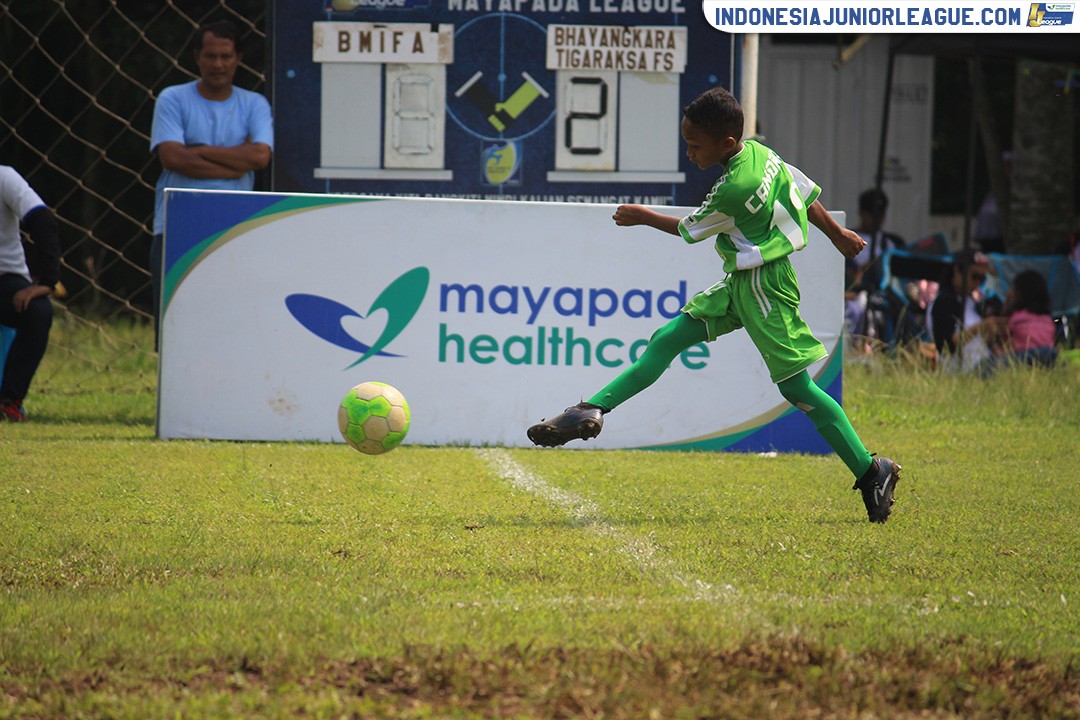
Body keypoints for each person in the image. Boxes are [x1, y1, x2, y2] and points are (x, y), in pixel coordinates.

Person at [526, 86, 902, 524]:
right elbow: (801, 192)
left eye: (693, 145)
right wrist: (836, 234)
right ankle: (590, 409)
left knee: (797, 389)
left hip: (763, 287)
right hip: (744, 281)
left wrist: (642, 216)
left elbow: (689, 230)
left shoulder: (734, 187)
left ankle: (872, 470)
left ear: (725, 143)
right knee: (668, 338)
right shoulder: (763, 156)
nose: (688, 152)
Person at [150, 19, 273, 345]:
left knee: (232, 323)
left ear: (238, 59)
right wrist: (235, 162)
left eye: (225, 56)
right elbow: (173, 158)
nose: (218, 64)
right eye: (210, 56)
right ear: (196, 57)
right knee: (174, 322)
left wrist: (199, 149)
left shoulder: (254, 104)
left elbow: (260, 157)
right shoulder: (172, 99)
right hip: (176, 225)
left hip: (234, 226)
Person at [0, 166, 60, 422]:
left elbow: (42, 219)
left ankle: (9, 402)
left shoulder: (4, 177)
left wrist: (47, 281)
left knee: (38, 311)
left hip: (5, 279)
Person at [844, 188, 907, 348]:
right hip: (858, 294)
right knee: (857, 310)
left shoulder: (892, 242)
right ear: (862, 214)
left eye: (881, 215)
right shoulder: (847, 239)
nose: (877, 220)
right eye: (872, 215)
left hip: (888, 293)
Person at [927, 249, 999, 373]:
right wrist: (981, 326)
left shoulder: (968, 301)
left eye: (982, 279)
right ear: (957, 271)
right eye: (975, 276)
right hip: (967, 371)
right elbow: (945, 346)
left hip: (982, 365)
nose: (978, 283)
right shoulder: (945, 300)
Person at [979, 269, 1057, 375]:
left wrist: (1007, 302)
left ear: (1017, 294)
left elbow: (1005, 346)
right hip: (1047, 357)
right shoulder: (1047, 320)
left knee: (988, 363)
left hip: (1023, 358)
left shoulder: (1014, 318)